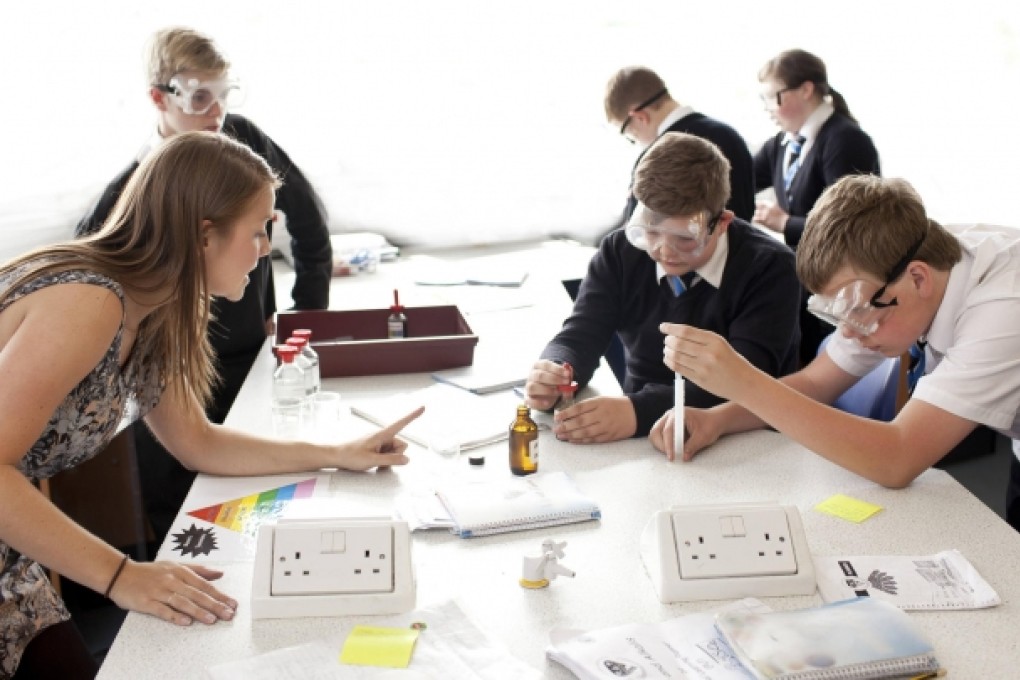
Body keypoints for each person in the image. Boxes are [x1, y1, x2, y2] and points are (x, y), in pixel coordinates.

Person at [0, 132, 421, 680]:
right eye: (259, 229)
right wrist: (122, 575)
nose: (267, 248)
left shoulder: (165, 306)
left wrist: (338, 453)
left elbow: (198, 442)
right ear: (204, 234)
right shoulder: (89, 299)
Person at [75, 27, 334, 544]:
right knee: (184, 516)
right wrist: (122, 578)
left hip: (244, 360)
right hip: (166, 381)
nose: (266, 250)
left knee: (251, 508)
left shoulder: (245, 148)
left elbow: (310, 226)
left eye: (224, 95)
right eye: (198, 98)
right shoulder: (117, 237)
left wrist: (304, 315)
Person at [652, 175, 1020, 533]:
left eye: (855, 308)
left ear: (918, 279)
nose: (845, 331)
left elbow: (898, 458)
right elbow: (816, 381)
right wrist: (718, 418)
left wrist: (745, 383)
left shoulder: (1005, 305)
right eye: (836, 311)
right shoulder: (904, 261)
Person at [525, 132, 800, 444]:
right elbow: (582, 331)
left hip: (743, 436)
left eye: (684, 238)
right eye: (651, 231)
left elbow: (748, 383)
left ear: (722, 222)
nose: (664, 250)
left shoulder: (770, 267)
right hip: (639, 430)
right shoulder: (621, 251)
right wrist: (558, 370)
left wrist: (637, 412)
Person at [751, 49, 881, 366]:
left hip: (843, 284)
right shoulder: (783, 143)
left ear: (806, 90)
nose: (769, 109)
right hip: (808, 278)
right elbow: (742, 181)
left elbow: (850, 223)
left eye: (774, 98)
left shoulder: (845, 139)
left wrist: (786, 223)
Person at [604, 66, 756, 233]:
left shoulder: (656, 156)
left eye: (629, 134)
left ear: (640, 117)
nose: (635, 142)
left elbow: (637, 233)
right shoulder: (729, 134)